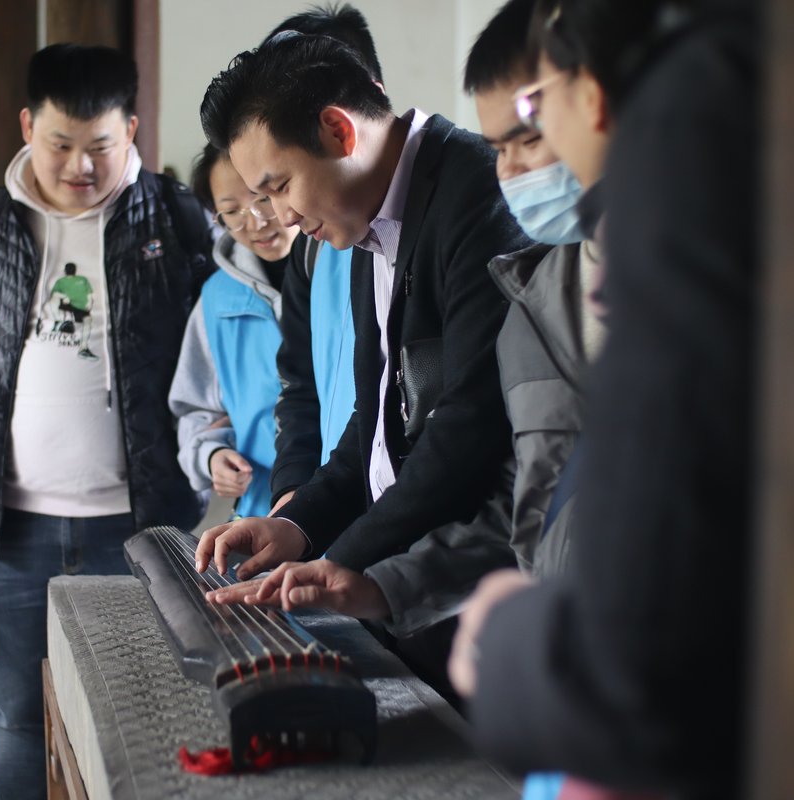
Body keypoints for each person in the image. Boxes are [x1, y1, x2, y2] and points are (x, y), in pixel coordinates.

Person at [449, 1, 760, 797]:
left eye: (533, 110)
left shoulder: (691, 123)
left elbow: (636, 668)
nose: (526, 154)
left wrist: (507, 638)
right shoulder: (529, 290)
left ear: (589, 91)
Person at [0, 43, 213, 800]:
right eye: (60, 145)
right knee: (18, 719)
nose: (80, 166)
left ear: (131, 131)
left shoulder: (178, 220)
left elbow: (226, 357)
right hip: (11, 532)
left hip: (142, 528)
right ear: (26, 126)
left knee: (148, 716)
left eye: (100, 146)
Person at [194, 31, 529, 696]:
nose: (280, 215)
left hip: (462, 583)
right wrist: (296, 526)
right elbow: (371, 425)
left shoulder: (473, 196)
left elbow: (469, 427)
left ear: (339, 132)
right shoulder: (361, 220)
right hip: (394, 575)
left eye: (281, 185)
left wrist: (340, 561)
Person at [262, 4, 374, 513]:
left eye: (283, 185)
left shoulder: (428, 226)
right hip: (329, 522)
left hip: (406, 549)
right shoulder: (311, 246)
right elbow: (300, 386)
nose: (284, 215)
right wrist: (293, 499)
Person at [169, 144, 299, 519]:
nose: (256, 221)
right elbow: (195, 408)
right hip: (261, 515)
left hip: (352, 516)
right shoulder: (217, 299)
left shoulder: (344, 271)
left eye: (263, 199)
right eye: (231, 211)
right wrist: (211, 455)